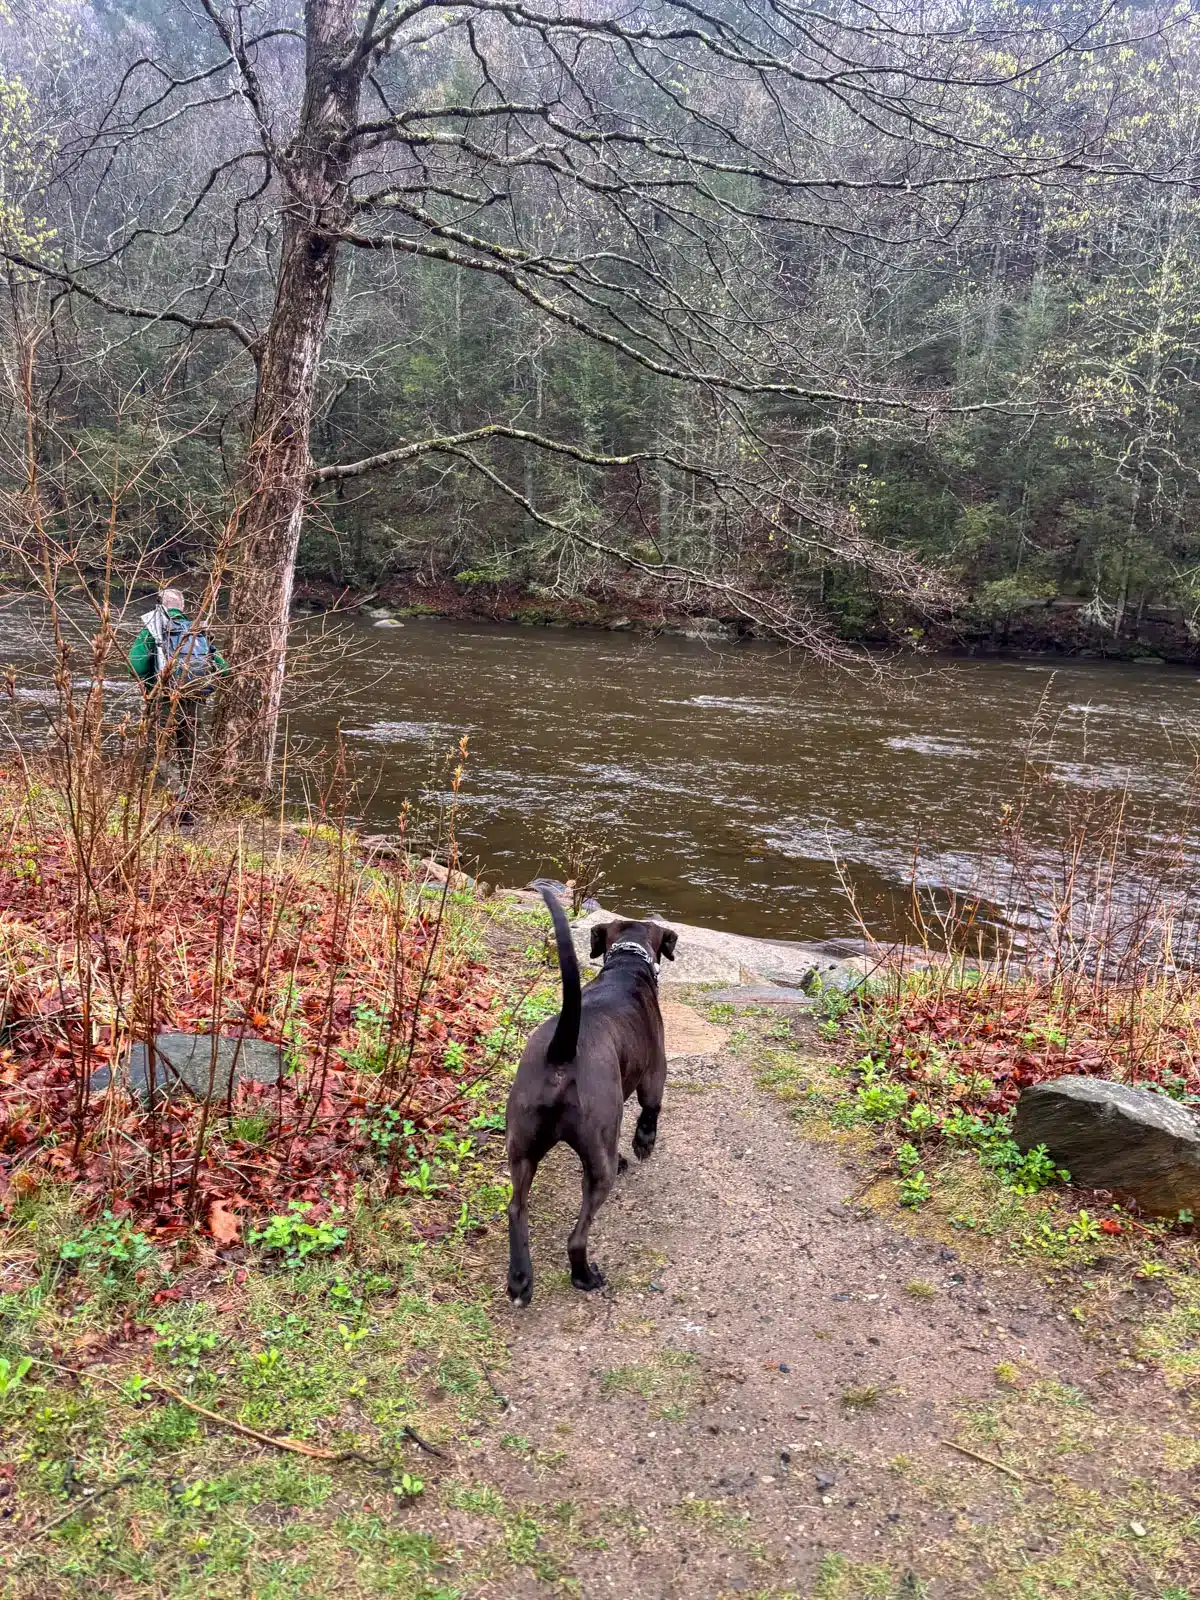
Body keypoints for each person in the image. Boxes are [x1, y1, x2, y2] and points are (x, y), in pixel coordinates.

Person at [129, 586, 227, 815]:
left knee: (155, 752)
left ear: (161, 606)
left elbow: (135, 666)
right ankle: (189, 801)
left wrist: (150, 687)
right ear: (182, 608)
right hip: (194, 700)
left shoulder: (153, 629)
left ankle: (179, 794)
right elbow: (223, 669)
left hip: (163, 701)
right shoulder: (197, 631)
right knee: (188, 752)